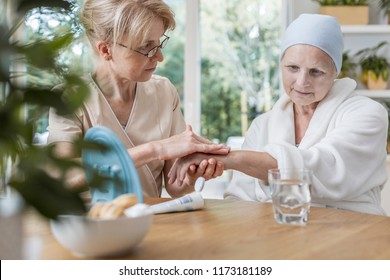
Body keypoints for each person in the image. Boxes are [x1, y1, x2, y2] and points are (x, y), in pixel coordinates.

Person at [168, 13, 388, 215]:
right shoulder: (262, 125)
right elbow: (239, 198)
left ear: (335, 72)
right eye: (292, 68)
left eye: (316, 71)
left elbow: (323, 168)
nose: (302, 82)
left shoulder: (368, 114)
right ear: (281, 65)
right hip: (278, 235)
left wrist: (226, 157)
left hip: (352, 234)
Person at [47, 0, 229, 198]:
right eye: (146, 47)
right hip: (94, 225)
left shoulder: (164, 92)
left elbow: (175, 185)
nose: (159, 56)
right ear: (106, 50)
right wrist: (155, 149)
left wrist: (191, 177)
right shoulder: (67, 99)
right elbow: (63, 179)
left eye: (159, 43)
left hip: (152, 224)